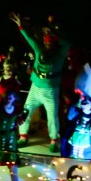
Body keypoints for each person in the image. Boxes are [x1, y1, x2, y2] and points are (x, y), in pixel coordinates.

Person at [10, 12, 72, 153]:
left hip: (50, 91)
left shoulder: (60, 53)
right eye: (47, 42)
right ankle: (23, 136)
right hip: (35, 88)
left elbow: (68, 43)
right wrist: (20, 26)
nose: (48, 45)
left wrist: (55, 34)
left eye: (51, 43)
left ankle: (54, 139)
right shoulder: (39, 50)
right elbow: (30, 39)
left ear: (55, 45)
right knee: (25, 111)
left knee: (52, 117)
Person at [67, 94, 91, 160]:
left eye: (85, 103)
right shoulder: (78, 113)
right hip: (77, 133)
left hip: (86, 136)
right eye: (83, 103)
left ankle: (80, 155)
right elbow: (70, 117)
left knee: (82, 147)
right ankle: (74, 154)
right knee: (75, 146)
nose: (83, 105)